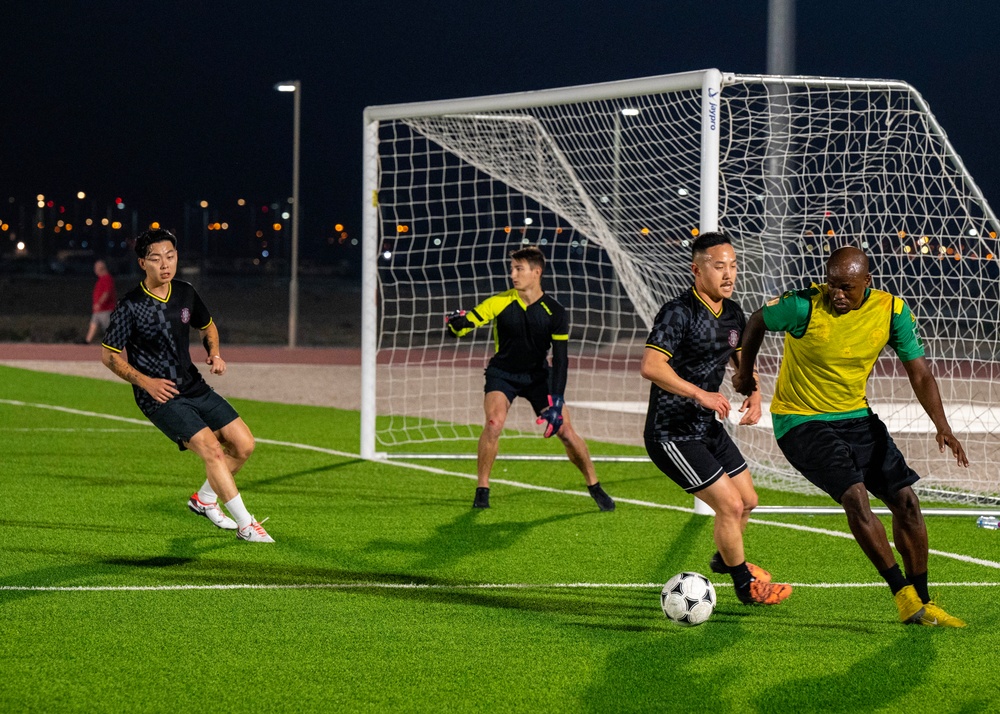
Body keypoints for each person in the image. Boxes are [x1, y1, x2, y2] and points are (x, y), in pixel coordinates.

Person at [733, 245, 967, 626]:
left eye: (847, 287)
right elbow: (757, 320)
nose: (837, 294)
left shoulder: (891, 311)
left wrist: (943, 426)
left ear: (867, 282)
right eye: (832, 285)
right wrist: (745, 372)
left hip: (856, 418)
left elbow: (920, 373)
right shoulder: (802, 306)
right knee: (856, 497)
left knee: (907, 502)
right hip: (800, 421)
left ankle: (924, 600)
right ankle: (903, 596)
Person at [640, 231, 792, 606]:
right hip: (671, 433)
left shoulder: (735, 314)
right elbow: (651, 365)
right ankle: (745, 586)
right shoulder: (678, 312)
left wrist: (755, 395)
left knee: (749, 499)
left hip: (707, 427)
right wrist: (699, 392)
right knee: (729, 505)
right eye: (719, 266)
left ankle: (725, 560)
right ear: (697, 269)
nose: (729, 274)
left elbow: (743, 367)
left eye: (734, 266)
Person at [100, 228, 274, 543]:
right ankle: (247, 525)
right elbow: (108, 355)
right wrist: (146, 382)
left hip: (194, 385)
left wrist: (215, 354)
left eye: (171, 256)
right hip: (160, 396)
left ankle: (204, 500)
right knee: (212, 449)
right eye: (156, 259)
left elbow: (207, 326)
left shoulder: (185, 293)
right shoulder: (130, 306)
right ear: (143, 263)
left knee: (244, 445)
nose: (165, 264)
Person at [446, 245, 615, 511]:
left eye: (519, 269)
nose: (513, 274)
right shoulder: (498, 302)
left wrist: (557, 400)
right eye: (512, 269)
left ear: (536, 272)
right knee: (493, 423)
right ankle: (482, 489)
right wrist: (455, 325)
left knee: (566, 432)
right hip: (502, 375)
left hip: (538, 377)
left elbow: (560, 359)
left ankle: (594, 485)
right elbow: (465, 325)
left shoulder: (555, 311)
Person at [85, 259, 117, 344]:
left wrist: (99, 303)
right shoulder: (101, 279)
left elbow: (107, 293)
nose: (95, 270)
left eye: (96, 268)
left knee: (108, 327)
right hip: (99, 309)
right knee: (93, 324)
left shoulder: (107, 278)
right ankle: (87, 341)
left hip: (105, 309)